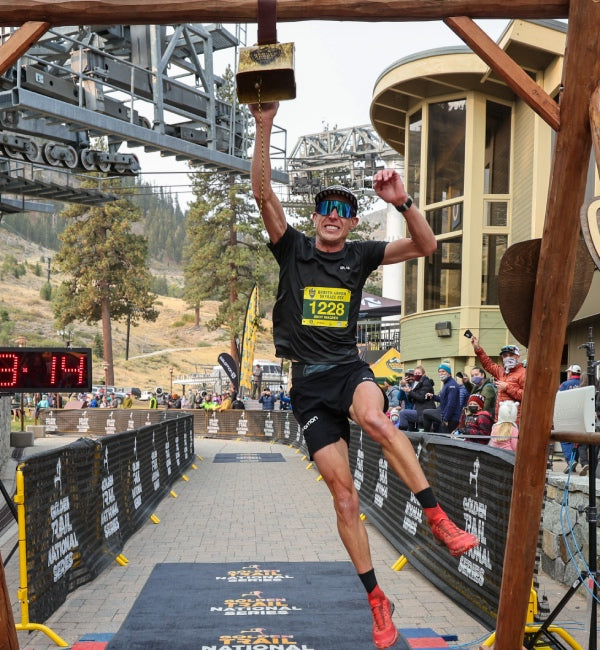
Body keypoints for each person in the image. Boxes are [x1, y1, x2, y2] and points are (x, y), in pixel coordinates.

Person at [249, 100, 478, 650]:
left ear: (352, 221)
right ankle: (377, 599)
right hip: (307, 386)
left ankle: (437, 517)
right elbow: (263, 194)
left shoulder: (361, 254)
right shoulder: (294, 250)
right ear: (316, 216)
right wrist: (263, 124)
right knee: (344, 499)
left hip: (351, 370)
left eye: (343, 209)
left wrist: (403, 203)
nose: (332, 214)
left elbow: (426, 246)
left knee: (376, 418)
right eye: (325, 206)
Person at [470, 336, 526, 424]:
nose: (508, 358)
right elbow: (488, 364)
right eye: (505, 356)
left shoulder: (523, 373)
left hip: (515, 422)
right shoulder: (501, 371)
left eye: (511, 355)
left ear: (517, 357)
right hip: (499, 420)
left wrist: (507, 387)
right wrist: (477, 348)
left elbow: (526, 396)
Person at [422, 363, 461, 433]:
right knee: (426, 413)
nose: (441, 373)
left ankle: (426, 435)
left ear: (449, 373)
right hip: (445, 414)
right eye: (439, 372)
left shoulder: (451, 385)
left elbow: (451, 404)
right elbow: (444, 400)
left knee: (445, 441)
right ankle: (429, 434)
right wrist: (433, 396)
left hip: (451, 418)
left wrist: (446, 419)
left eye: (443, 371)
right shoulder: (446, 383)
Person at [558, 364, 582, 473]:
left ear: (571, 373)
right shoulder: (584, 384)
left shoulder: (564, 385)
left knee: (565, 439)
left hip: (567, 417)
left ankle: (570, 461)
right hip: (581, 417)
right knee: (576, 440)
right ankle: (574, 460)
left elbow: (558, 400)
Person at [396, 365, 436, 431]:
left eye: (418, 373)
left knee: (403, 413)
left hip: (421, 411)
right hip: (414, 411)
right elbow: (401, 398)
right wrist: (403, 386)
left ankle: (402, 434)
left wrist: (410, 392)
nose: (411, 377)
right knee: (405, 417)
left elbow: (421, 397)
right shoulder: (414, 384)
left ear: (423, 374)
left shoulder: (424, 383)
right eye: (415, 374)